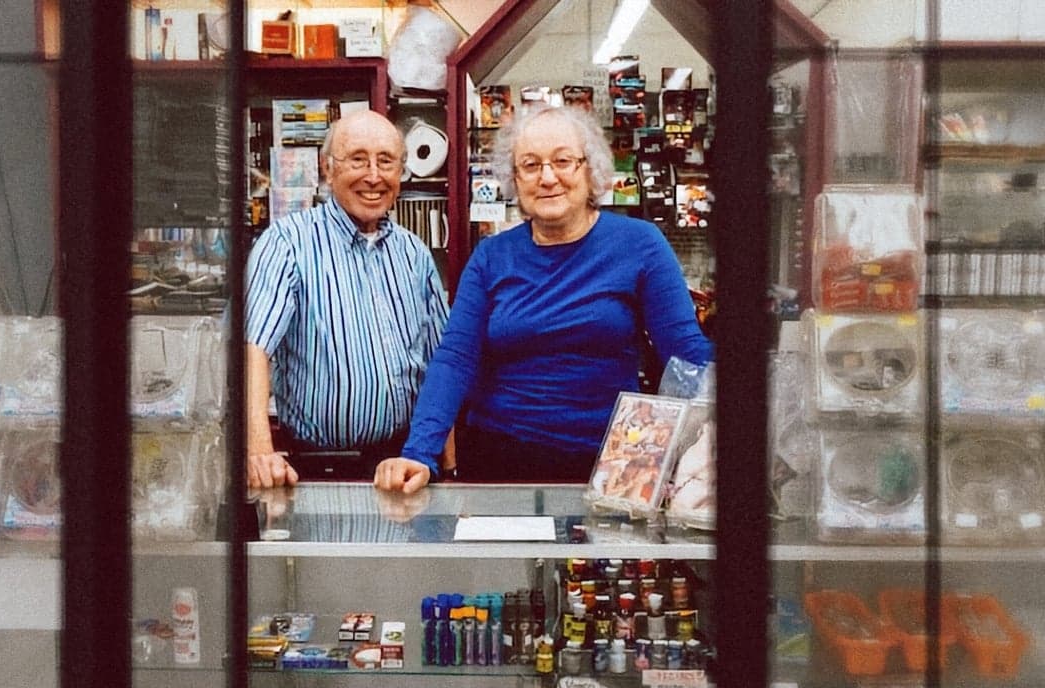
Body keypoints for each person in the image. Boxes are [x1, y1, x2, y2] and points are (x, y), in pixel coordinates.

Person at [375, 105, 713, 494]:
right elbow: (455, 358)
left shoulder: (640, 245)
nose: (548, 177)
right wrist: (420, 452)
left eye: (563, 161)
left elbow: (686, 354)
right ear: (514, 179)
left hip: (611, 464)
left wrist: (726, 425)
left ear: (591, 170)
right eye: (531, 165)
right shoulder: (491, 256)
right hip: (498, 460)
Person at [245, 110, 450, 487]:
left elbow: (445, 364)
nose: (373, 176)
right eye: (358, 159)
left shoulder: (414, 254)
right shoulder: (288, 243)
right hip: (319, 470)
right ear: (328, 169)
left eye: (386, 161)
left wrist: (450, 468)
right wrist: (259, 449)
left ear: (400, 174)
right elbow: (253, 347)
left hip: (405, 466)